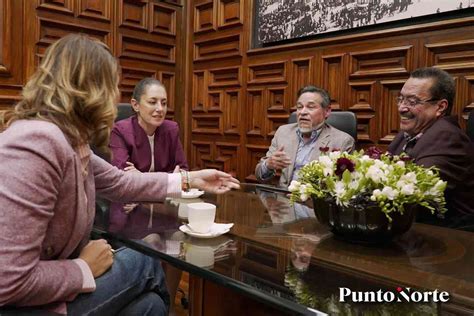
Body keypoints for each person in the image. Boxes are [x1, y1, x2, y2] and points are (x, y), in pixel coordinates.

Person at [0, 34, 239, 315]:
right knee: (146, 261)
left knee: (148, 306)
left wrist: (192, 178)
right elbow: (8, 281)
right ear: (89, 88)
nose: (115, 96)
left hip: (43, 292)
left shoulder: (69, 141)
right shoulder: (37, 143)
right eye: (112, 84)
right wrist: (83, 268)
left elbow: (121, 182)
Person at [388, 67, 474, 229]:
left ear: (440, 107)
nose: (401, 108)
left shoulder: (448, 138)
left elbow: (412, 193)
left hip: (451, 239)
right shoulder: (409, 132)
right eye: (401, 99)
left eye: (412, 101)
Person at [255, 85, 355, 188]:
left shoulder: (343, 141)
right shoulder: (283, 132)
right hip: (282, 199)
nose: (302, 112)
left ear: (327, 111)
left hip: (313, 202)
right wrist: (268, 165)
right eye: (299, 107)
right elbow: (259, 176)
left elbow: (343, 187)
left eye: (310, 107)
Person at [109, 77, 188, 173]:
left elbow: (182, 170)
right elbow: (123, 176)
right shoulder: (120, 131)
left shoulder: (171, 130)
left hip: (165, 188)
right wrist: (170, 178)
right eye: (152, 102)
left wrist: (141, 177)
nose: (160, 109)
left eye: (164, 103)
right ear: (135, 105)